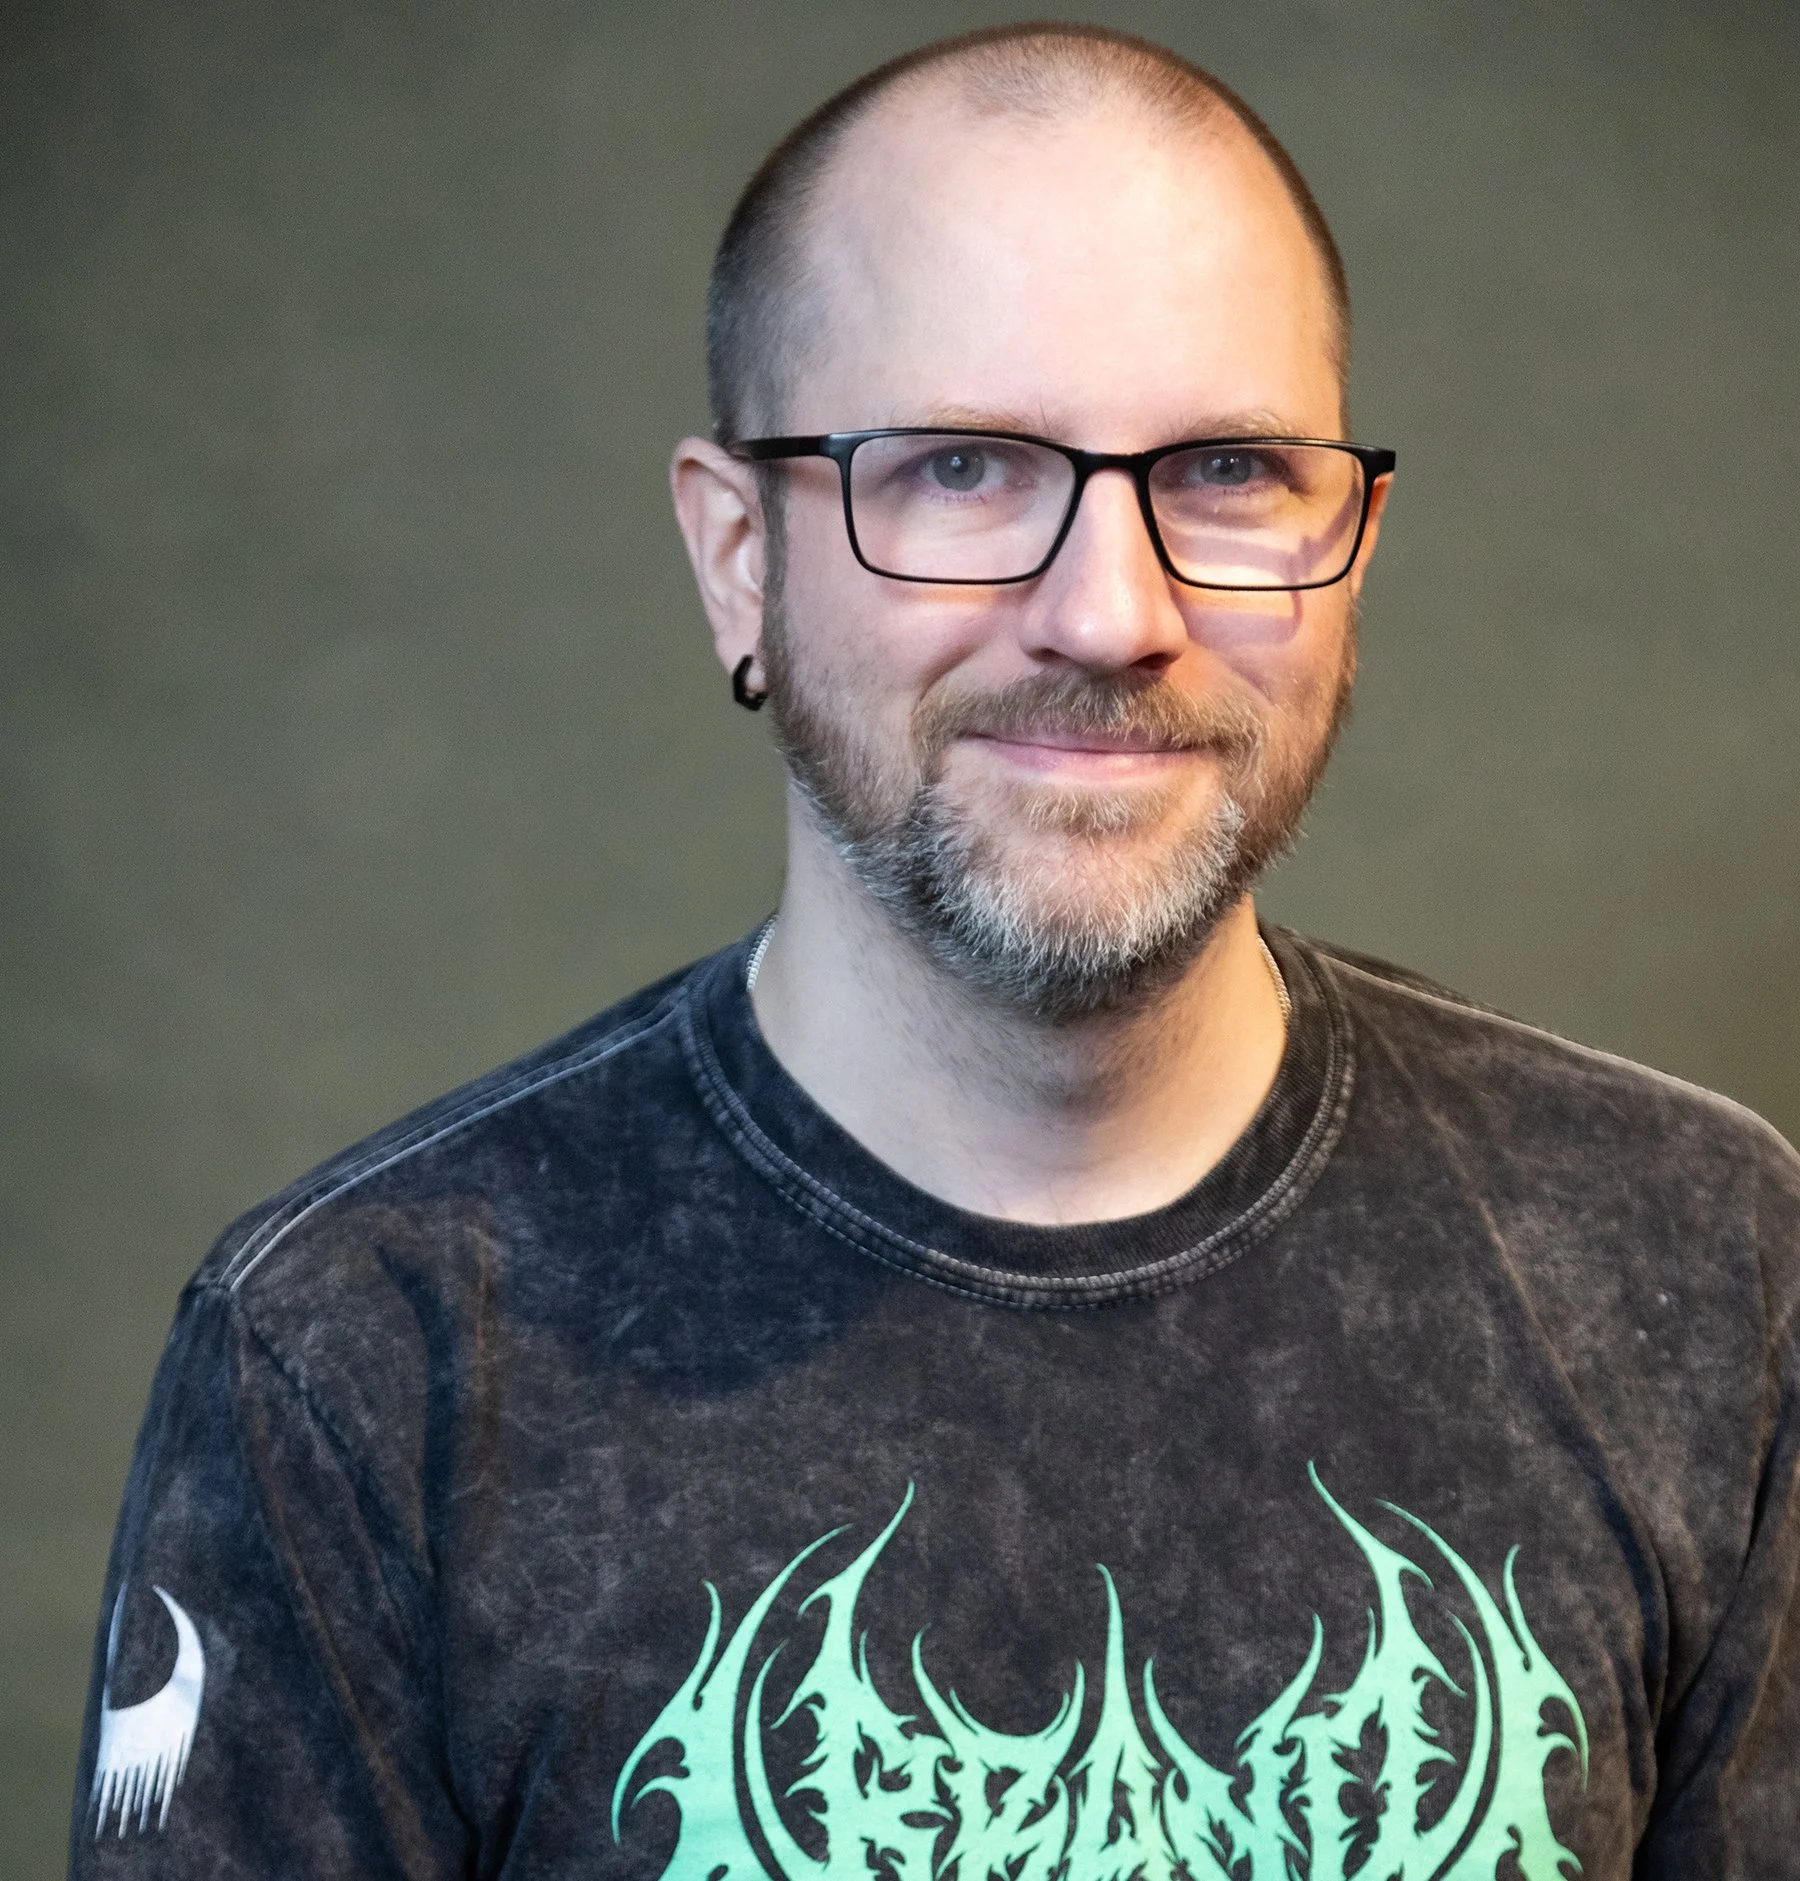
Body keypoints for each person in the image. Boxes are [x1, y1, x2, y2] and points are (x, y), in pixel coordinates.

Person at [71, 23, 1799, 1880]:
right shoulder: (361, 1359)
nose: (1112, 612)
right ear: (740, 558)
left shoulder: (1703, 1268)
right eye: (964, 468)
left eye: (1226, 469)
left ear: (1351, 544)